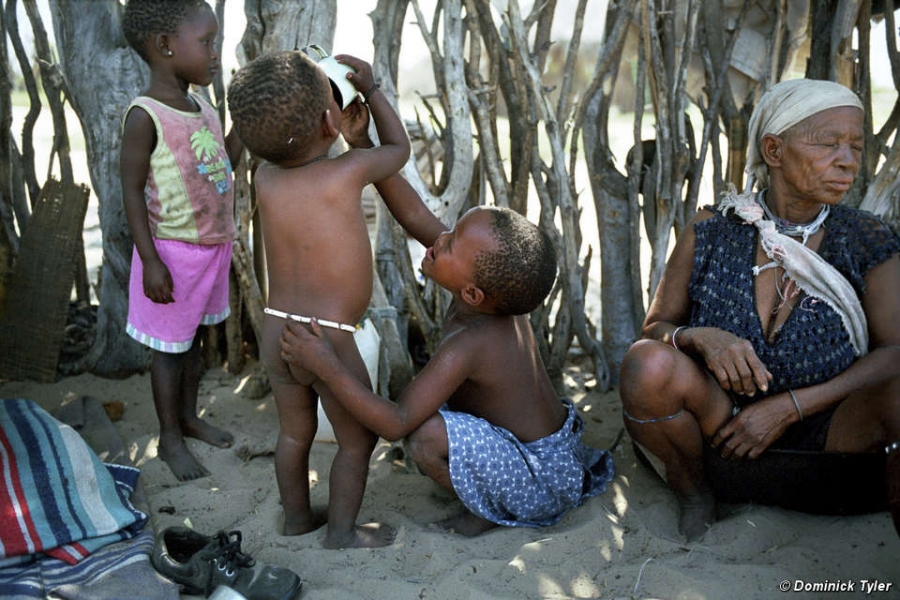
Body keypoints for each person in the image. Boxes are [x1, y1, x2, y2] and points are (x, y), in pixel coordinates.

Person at [618, 78, 900, 541]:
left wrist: (788, 408)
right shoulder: (711, 230)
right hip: (722, 435)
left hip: (833, 441)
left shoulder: (865, 239)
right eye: (829, 143)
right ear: (773, 150)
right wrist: (699, 337)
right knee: (646, 364)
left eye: (855, 145)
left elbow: (894, 352)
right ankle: (694, 493)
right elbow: (655, 330)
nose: (848, 160)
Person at [278, 204, 616, 537]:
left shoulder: (470, 343)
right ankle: (496, 495)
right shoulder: (492, 292)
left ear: (472, 293)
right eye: (452, 230)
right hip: (555, 457)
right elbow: (414, 215)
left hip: (541, 479)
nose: (440, 239)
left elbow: (396, 423)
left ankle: (492, 510)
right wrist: (374, 154)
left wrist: (327, 366)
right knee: (428, 409)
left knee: (424, 435)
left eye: (451, 242)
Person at [226, 50, 445, 549]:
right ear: (331, 120)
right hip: (331, 338)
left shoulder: (265, 178)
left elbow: (281, 144)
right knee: (356, 439)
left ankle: (297, 518)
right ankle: (343, 533)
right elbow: (399, 148)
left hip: (279, 329)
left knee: (293, 435)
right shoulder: (346, 171)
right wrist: (371, 89)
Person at [120, 0, 243, 482]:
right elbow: (130, 190)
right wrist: (150, 260)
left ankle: (189, 418)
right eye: (207, 42)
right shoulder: (145, 116)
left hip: (212, 248)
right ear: (165, 45)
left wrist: (244, 132)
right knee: (168, 351)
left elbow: (222, 167)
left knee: (190, 343)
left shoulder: (203, 107)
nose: (215, 54)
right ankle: (168, 435)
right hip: (171, 252)